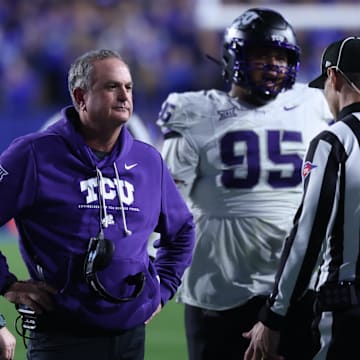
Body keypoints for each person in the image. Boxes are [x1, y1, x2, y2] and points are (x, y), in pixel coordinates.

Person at [156, 8, 332, 360]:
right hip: (218, 284)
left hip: (295, 283)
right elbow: (167, 202)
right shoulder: (195, 111)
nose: (272, 64)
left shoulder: (315, 103)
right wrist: (156, 268)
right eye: (261, 54)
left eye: (280, 56)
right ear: (234, 57)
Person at [0, 48, 195, 359]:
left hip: (130, 337)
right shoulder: (33, 155)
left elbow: (182, 230)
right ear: (80, 97)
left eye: (128, 87)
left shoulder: (148, 161)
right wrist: (6, 283)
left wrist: (163, 288)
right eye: (111, 86)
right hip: (61, 336)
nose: (124, 95)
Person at [243, 36, 360, 360]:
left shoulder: (335, 141)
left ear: (334, 77)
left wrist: (274, 314)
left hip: (347, 310)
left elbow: (308, 234)